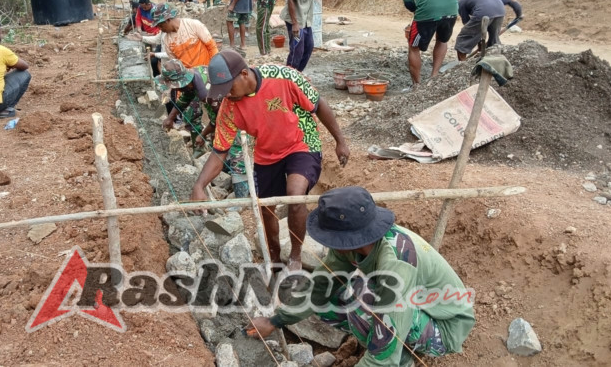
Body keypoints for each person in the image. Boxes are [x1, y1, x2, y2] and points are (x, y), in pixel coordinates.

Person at [247, 186, 476, 367]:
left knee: (361, 297)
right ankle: (387, 348)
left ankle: (402, 359)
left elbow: (387, 337)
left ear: (346, 238)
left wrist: (383, 357)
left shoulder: (396, 263)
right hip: (412, 310)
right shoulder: (353, 246)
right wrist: (275, 321)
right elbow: (320, 287)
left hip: (444, 328)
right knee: (331, 298)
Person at [190, 50, 350, 271]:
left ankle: (295, 256)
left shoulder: (283, 77)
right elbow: (220, 151)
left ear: (244, 74)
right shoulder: (229, 108)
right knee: (265, 207)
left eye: (229, 88)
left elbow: (318, 104)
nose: (227, 95)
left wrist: (340, 141)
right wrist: (199, 185)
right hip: (267, 151)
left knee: (295, 195)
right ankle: (274, 258)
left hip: (301, 141)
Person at [157, 59, 250, 196]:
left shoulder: (206, 94)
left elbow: (219, 121)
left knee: (237, 150)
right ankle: (224, 171)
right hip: (224, 110)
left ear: (182, 83)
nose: (175, 90)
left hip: (237, 114)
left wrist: (203, 134)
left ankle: (242, 196)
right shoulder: (194, 76)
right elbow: (185, 98)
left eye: (175, 87)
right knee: (219, 144)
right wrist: (170, 118)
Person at [132, 3, 219, 70]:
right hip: (189, 77)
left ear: (168, 20)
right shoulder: (166, 40)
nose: (160, 29)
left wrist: (214, 67)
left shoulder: (193, 25)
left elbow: (212, 47)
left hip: (206, 70)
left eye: (161, 26)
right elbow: (176, 63)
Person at [454, 0, 524, 59]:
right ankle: (494, 58)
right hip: (500, 12)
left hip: (482, 12)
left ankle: (462, 62)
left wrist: (478, 39)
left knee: (463, 38)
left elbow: (467, 23)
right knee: (494, 39)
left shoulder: (461, 1)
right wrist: (519, 15)